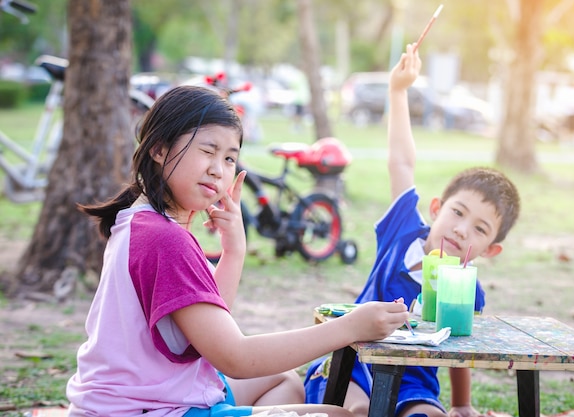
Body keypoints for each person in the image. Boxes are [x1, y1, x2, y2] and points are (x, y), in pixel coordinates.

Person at [66, 85, 410, 417]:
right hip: (149, 409)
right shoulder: (165, 239)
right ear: (158, 149)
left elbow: (209, 332)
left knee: (282, 382)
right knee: (341, 416)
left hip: (139, 398)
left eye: (230, 157)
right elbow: (236, 358)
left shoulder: (137, 220)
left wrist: (234, 250)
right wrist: (351, 327)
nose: (218, 169)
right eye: (207, 150)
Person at [304, 44, 520, 417]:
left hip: (414, 383)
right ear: (436, 208)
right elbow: (401, 161)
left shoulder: (470, 291)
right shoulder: (403, 232)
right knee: (358, 413)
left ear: (489, 249)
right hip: (351, 368)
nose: (462, 229)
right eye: (457, 212)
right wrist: (398, 90)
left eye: (480, 229)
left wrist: (462, 405)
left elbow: (460, 351)